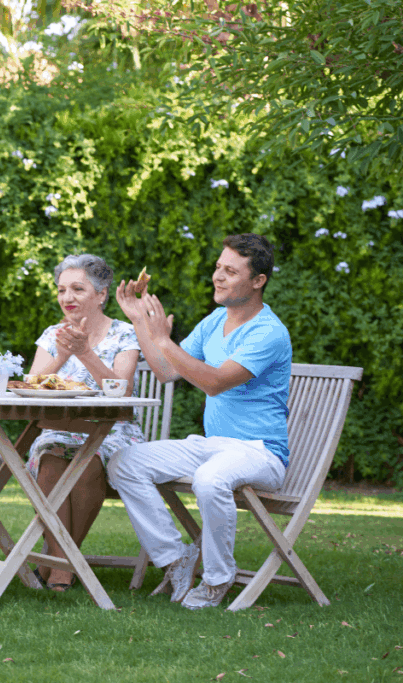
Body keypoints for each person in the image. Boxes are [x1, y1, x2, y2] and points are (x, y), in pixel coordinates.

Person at [110, 233, 291, 610]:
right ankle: (177, 559)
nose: (218, 277)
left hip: (260, 453)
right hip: (214, 447)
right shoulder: (214, 322)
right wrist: (140, 321)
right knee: (125, 462)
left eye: (230, 271)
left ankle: (216, 581)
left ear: (258, 281)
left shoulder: (268, 332)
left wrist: (164, 339)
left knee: (210, 480)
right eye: (218, 267)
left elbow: (213, 383)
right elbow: (164, 370)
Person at [24, 254, 145, 591]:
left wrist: (85, 354)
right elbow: (31, 385)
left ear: (101, 294)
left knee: (88, 464)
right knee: (49, 462)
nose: (67, 298)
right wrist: (63, 354)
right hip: (59, 428)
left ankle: (58, 565)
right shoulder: (53, 333)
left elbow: (122, 392)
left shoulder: (123, 334)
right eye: (62, 290)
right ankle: (65, 561)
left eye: (77, 289)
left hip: (111, 431)